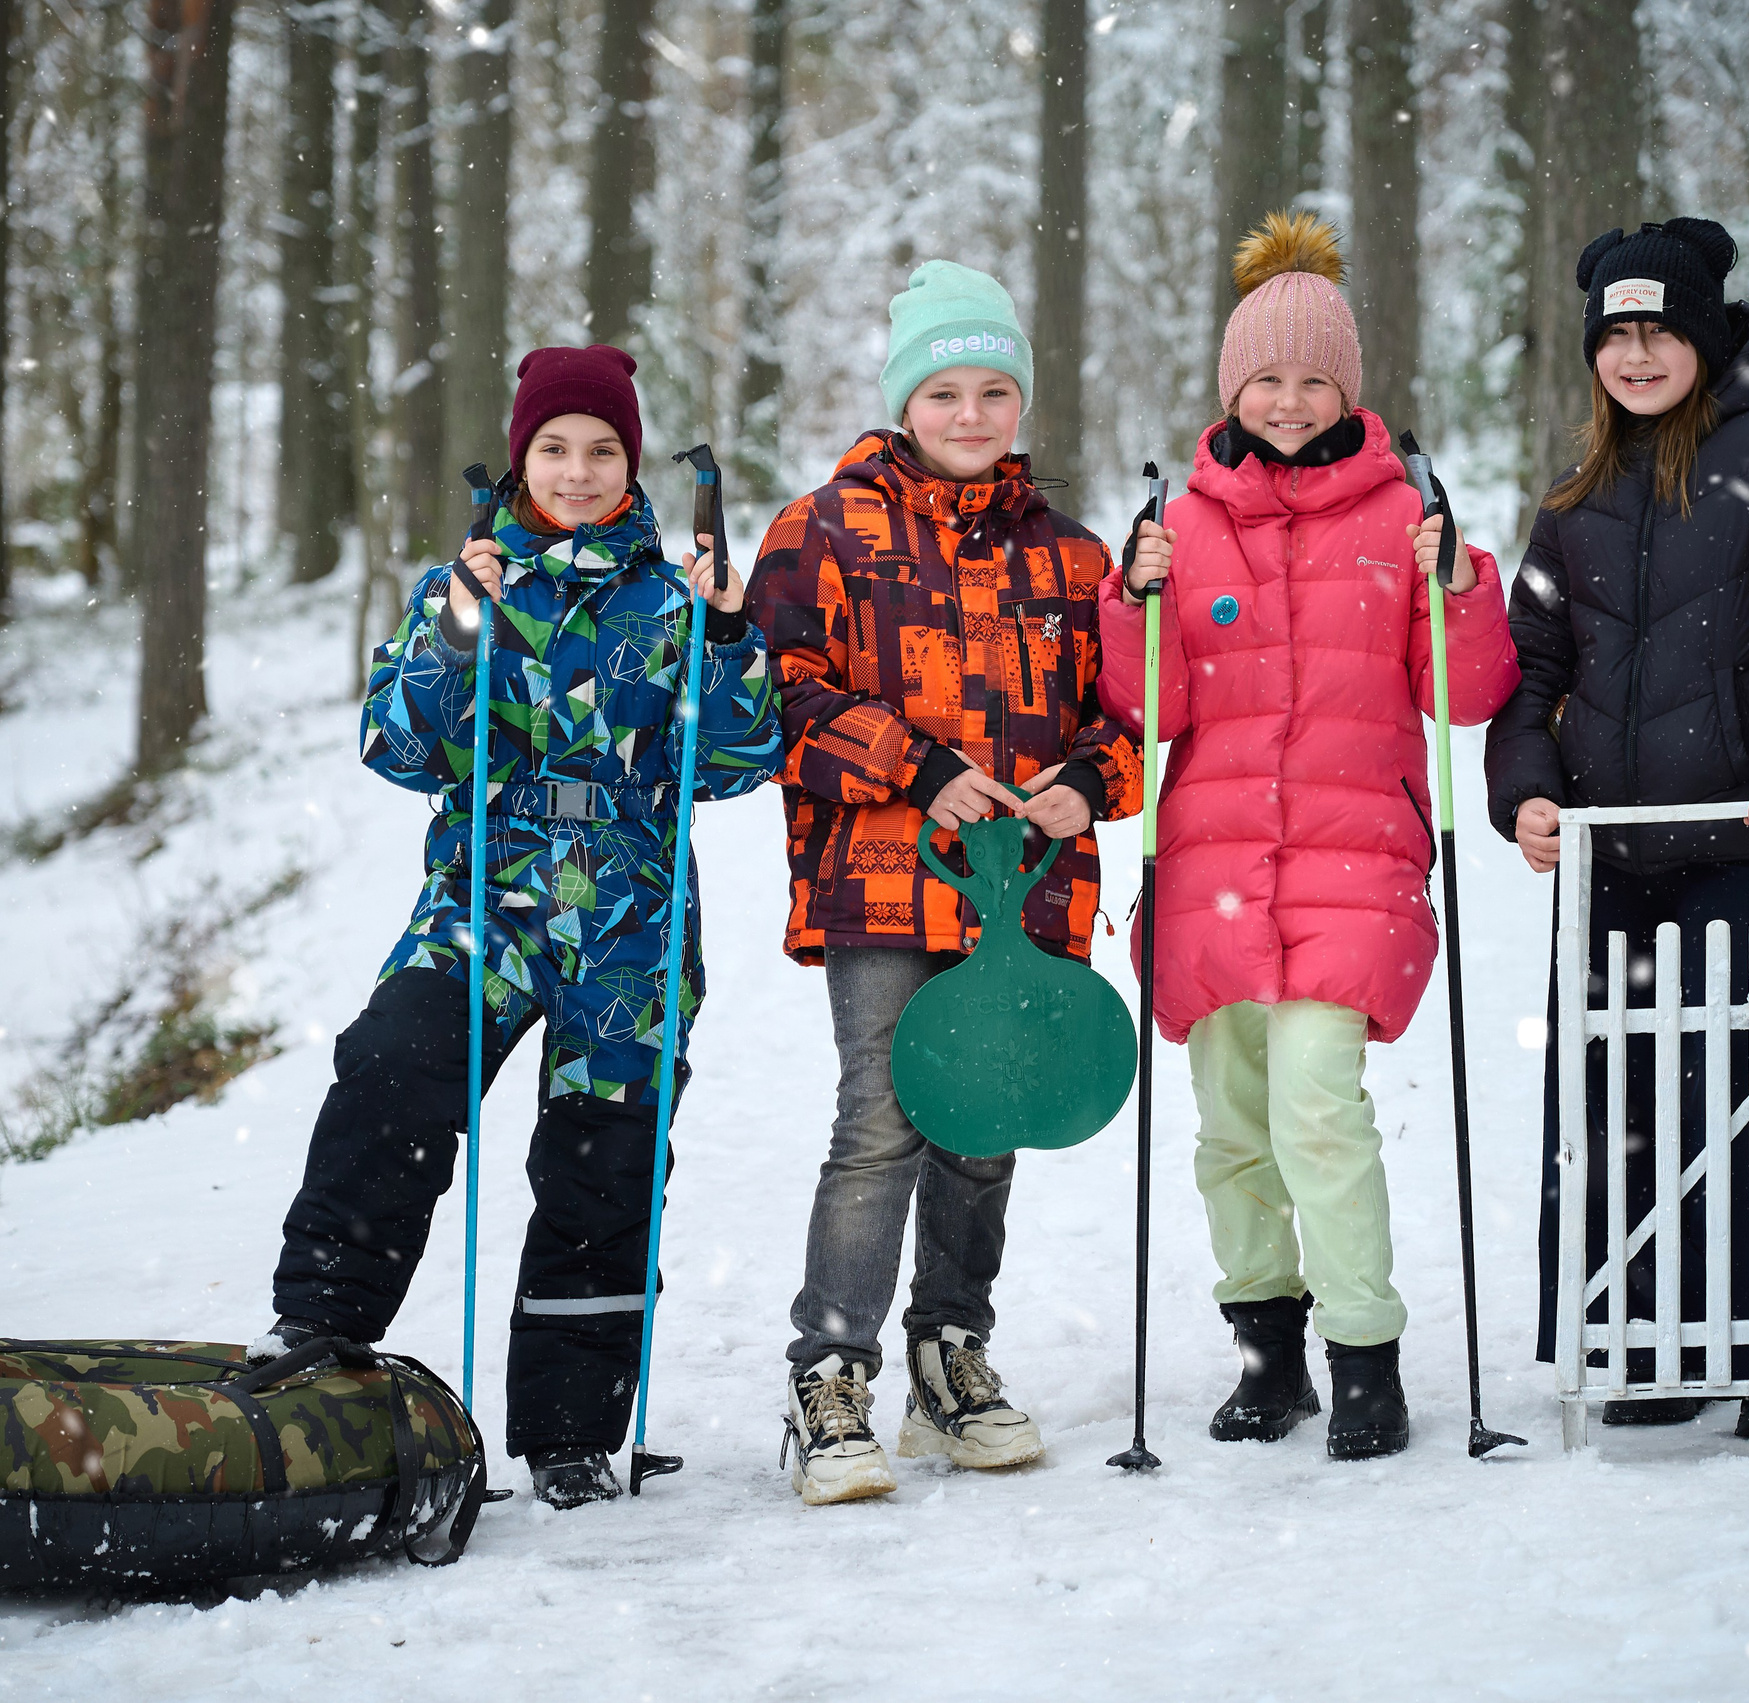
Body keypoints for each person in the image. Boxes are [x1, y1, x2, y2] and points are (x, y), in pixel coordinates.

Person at [259, 345, 783, 1508]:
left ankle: (569, 1428)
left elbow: (740, 763)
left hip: (630, 922)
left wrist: (733, 637)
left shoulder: (674, 592)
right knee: (392, 1064)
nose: (581, 470)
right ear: (519, 456)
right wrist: (455, 627)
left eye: (603, 450)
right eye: (556, 447)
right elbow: (396, 747)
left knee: (605, 1164)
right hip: (481, 901)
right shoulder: (471, 582)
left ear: (633, 461)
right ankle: (320, 1324)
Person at [1103, 213, 1522, 1461]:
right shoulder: (1186, 525)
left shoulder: (1407, 519)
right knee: (1230, 1124)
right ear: (1233, 387)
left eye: (1314, 379)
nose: (1289, 402)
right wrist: (1132, 599)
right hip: (1212, 871)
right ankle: (1264, 1352)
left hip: (1352, 866)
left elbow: (1469, 692)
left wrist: (1459, 585)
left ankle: (1363, 1354)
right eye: (1267, 379)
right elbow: (1152, 709)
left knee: (1316, 1111)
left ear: (1350, 388)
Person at [1483, 217, 1749, 1438]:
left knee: (1740, 1091)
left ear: (1705, 338)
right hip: (1614, 858)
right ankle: (1646, 1341)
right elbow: (1529, 664)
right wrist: (1530, 791)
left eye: (1660, 330)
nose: (1638, 353)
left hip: (1740, 844)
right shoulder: (1575, 501)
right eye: (1617, 333)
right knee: (1614, 1100)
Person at [745, 261, 1143, 1505]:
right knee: (881, 1119)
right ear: (903, 397)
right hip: (879, 873)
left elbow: (1129, 713)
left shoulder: (1076, 558)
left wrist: (1094, 779)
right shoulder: (820, 529)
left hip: (1021, 882)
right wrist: (916, 767)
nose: (970, 415)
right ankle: (831, 1373)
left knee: (983, 1118)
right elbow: (779, 694)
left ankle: (949, 1351)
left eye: (993, 391)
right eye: (945, 390)